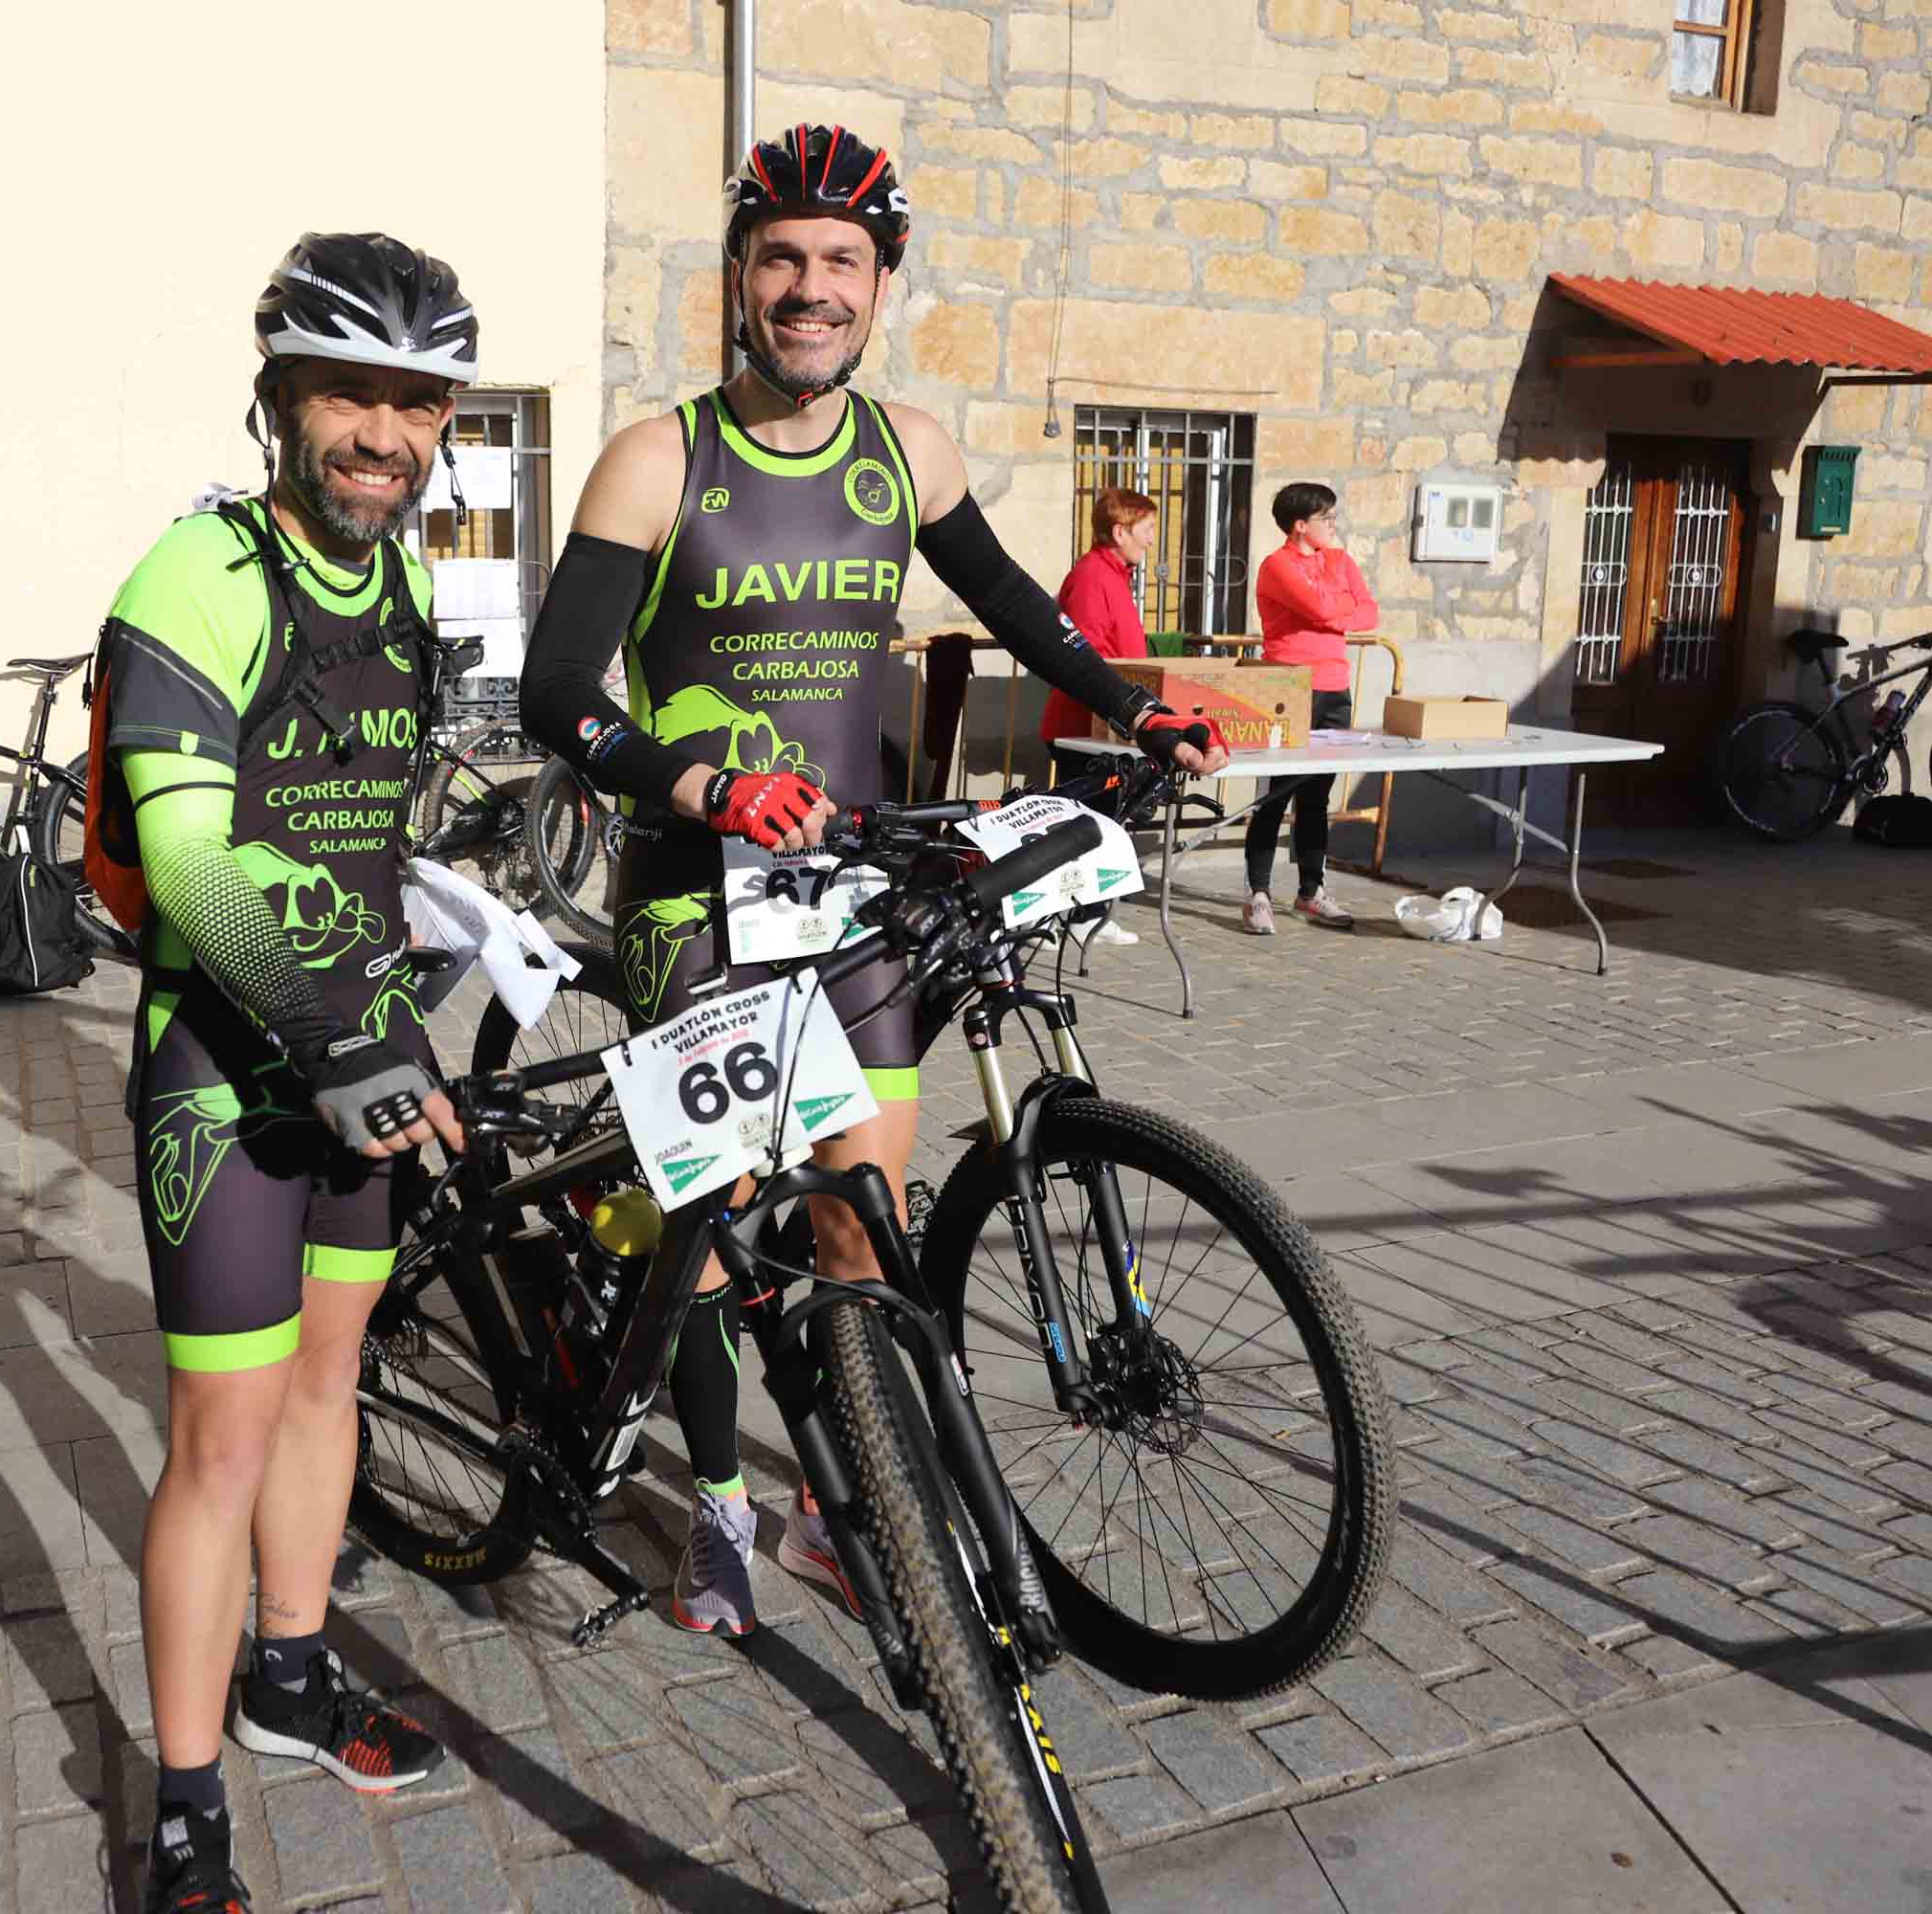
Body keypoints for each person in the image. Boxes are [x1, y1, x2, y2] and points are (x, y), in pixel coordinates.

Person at [520, 124, 1226, 1637]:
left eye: (842, 260)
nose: (809, 285)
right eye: (781, 255)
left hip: (848, 900)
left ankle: (843, 1509)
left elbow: (1018, 609)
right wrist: (702, 787)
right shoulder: (661, 456)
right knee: (705, 1223)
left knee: (858, 1220)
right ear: (739, 274)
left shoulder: (907, 450)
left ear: (881, 284)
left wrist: (1129, 703)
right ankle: (715, 1510)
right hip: (688, 890)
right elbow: (557, 692)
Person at [95, 233, 476, 1914]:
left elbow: (372, 823)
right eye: (349, 394)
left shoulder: (396, 581)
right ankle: (181, 1808)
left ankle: (294, 1675)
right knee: (221, 1441)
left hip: (366, 1058)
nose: (383, 433)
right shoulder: (197, 572)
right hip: (231, 1081)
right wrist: (340, 1040)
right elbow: (184, 861)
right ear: (280, 401)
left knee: (333, 1388)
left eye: (415, 401)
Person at [1244, 481, 1380, 933]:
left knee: (1317, 797)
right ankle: (1258, 894)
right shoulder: (1277, 566)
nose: (1334, 526)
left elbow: (1368, 613)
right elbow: (1320, 609)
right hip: (1289, 685)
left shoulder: (1340, 560)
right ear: (1301, 525)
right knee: (1277, 792)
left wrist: (1335, 606)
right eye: (1327, 518)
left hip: (1334, 687)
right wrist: (1336, 606)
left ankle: (1311, 892)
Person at [1044, 486, 1163, 943]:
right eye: (1147, 529)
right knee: (1086, 823)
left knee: (1102, 820)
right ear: (1120, 531)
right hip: (1083, 724)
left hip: (1106, 724)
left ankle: (1087, 913)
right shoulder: (1093, 577)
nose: (1151, 540)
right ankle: (1078, 917)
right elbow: (1085, 652)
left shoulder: (1113, 575)